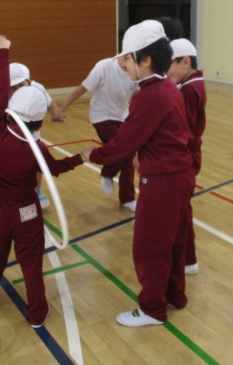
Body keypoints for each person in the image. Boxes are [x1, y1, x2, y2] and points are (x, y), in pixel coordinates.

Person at [81, 20, 194, 327]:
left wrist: (93, 155)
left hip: (162, 180)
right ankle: (175, 295)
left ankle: (153, 309)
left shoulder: (150, 95)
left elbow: (124, 144)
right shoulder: (168, 88)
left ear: (146, 60)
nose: (123, 65)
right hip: (179, 176)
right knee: (174, 240)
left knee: (149, 244)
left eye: (128, 59)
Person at [0, 36, 84, 327]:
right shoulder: (38, 149)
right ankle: (36, 314)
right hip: (26, 211)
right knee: (31, 263)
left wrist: (4, 51)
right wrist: (81, 158)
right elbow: (55, 169)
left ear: (9, 110)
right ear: (39, 121)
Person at [56, 57, 138, 211]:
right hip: (102, 116)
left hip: (122, 115)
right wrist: (62, 109)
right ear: (124, 56)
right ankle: (108, 174)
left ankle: (127, 198)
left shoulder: (139, 67)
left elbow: (139, 92)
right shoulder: (104, 67)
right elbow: (82, 88)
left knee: (129, 153)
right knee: (122, 150)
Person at [167, 38, 206, 275]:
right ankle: (186, 259)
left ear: (185, 62)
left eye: (170, 64)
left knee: (181, 212)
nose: (167, 71)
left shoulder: (189, 90)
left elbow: (185, 130)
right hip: (189, 157)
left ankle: (188, 260)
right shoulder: (192, 84)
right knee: (181, 210)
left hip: (186, 159)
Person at [8, 62, 66, 209]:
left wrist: (56, 113)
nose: (17, 90)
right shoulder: (2, 95)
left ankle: (37, 191)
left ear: (29, 81)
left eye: (21, 85)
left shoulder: (37, 88)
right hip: (11, 135)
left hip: (32, 133)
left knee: (37, 163)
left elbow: (49, 102)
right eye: (13, 87)